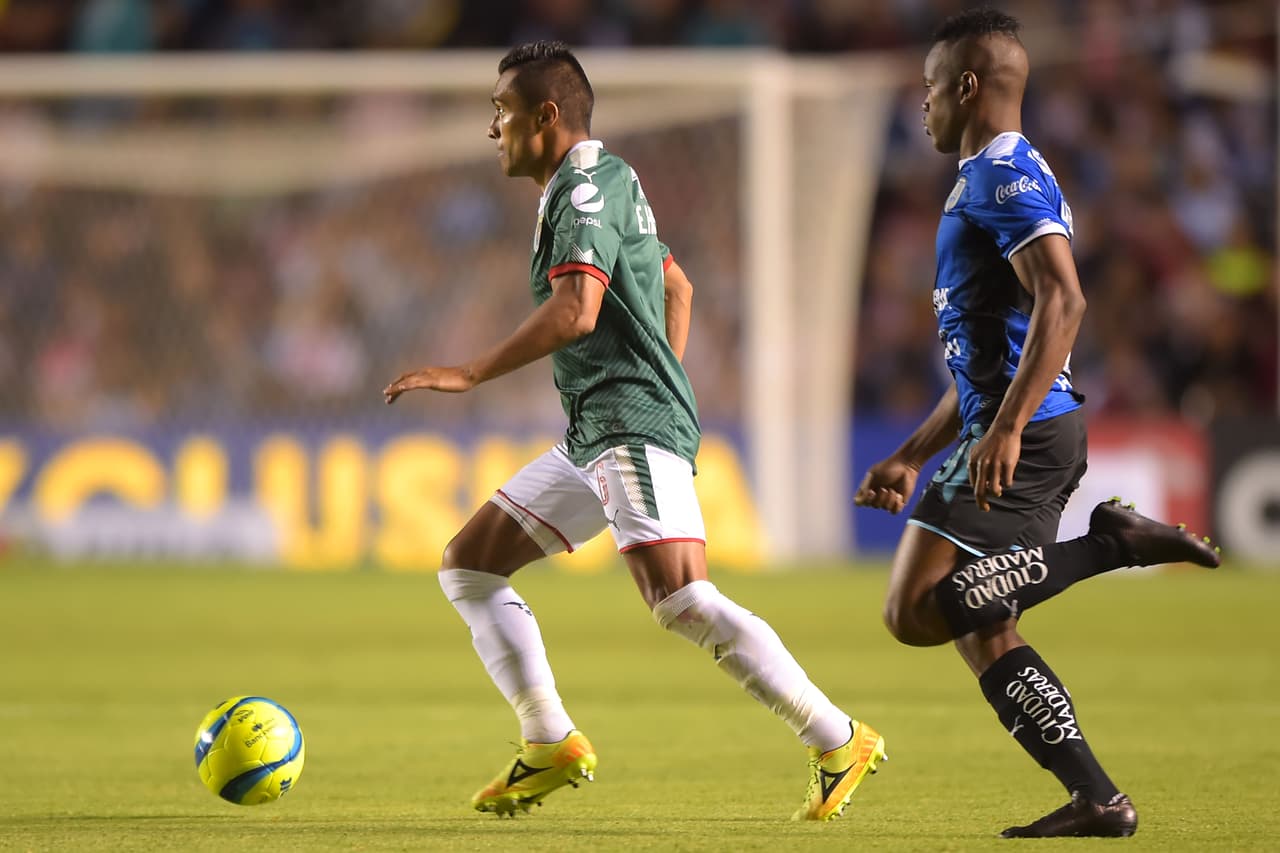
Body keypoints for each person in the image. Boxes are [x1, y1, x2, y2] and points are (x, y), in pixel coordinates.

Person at [384, 40, 885, 822]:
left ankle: (836, 735)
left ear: (545, 115)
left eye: (502, 112)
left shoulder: (585, 185)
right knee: (470, 564)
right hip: (599, 428)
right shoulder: (600, 183)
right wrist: (666, 381)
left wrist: (470, 373)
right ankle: (548, 737)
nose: (494, 129)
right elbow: (675, 285)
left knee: (681, 599)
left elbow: (577, 310)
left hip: (626, 424)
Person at [854, 8, 1220, 839]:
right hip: (1017, 425)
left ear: (968, 87)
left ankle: (1111, 544)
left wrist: (1010, 426)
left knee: (913, 610)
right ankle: (1099, 798)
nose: (924, 106)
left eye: (931, 88)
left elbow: (1065, 297)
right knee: (984, 629)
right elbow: (987, 357)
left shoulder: (1001, 175)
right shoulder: (990, 176)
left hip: (1033, 433)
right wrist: (915, 452)